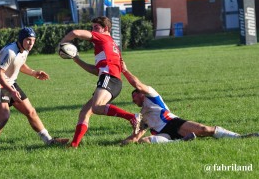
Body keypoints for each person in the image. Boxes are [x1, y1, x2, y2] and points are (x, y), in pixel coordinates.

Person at [120, 61, 258, 145]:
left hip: (174, 123)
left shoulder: (151, 94)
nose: (133, 100)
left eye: (134, 96)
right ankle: (181, 142)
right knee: (145, 142)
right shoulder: (142, 115)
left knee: (205, 130)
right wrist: (125, 140)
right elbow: (136, 138)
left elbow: (137, 84)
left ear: (141, 93)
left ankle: (240, 137)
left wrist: (124, 70)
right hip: (163, 135)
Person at [59, 16, 140, 148]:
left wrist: (61, 44)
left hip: (110, 79)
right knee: (85, 112)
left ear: (106, 28)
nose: (93, 31)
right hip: (111, 80)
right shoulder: (109, 45)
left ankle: (132, 117)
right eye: (92, 28)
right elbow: (96, 71)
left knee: (96, 108)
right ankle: (74, 145)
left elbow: (75, 33)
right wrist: (76, 59)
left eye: (96, 28)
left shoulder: (103, 38)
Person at [0, 27, 68, 150]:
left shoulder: (24, 50)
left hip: (10, 82)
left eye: (33, 40)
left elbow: (20, 64)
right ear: (21, 39)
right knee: (4, 116)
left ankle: (49, 140)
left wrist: (34, 73)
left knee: (31, 112)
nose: (31, 43)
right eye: (28, 40)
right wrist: (12, 91)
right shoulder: (9, 52)